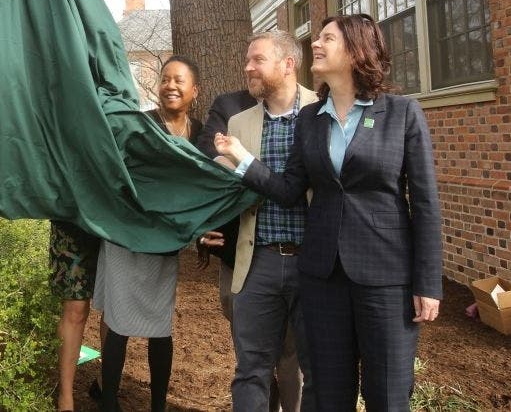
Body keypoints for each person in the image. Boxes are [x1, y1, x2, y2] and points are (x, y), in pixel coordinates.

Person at [215, 14, 442, 411]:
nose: (315, 45)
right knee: (329, 394)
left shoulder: (402, 113)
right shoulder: (310, 119)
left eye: (327, 38)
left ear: (357, 50)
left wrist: (428, 283)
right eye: (316, 38)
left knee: (387, 395)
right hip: (323, 279)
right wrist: (243, 161)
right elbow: (288, 189)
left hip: (386, 279)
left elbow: (424, 204)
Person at [205, 31, 317, 411]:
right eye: (247, 59)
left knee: (313, 368)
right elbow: (226, 190)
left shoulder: (324, 111)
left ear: (289, 64)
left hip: (315, 263)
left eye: (258, 59)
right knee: (251, 368)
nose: (247, 66)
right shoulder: (239, 124)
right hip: (258, 261)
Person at [93, 55, 202, 412]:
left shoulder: (199, 132)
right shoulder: (140, 125)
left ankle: (158, 405)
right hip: (128, 235)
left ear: (194, 91)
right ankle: (108, 402)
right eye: (165, 79)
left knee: (160, 324)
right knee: (120, 322)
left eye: (179, 81)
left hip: (164, 242)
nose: (170, 85)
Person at [49, 219, 101, 412]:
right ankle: (65, 397)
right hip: (72, 217)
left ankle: (106, 387)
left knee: (114, 306)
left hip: (115, 219)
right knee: (75, 308)